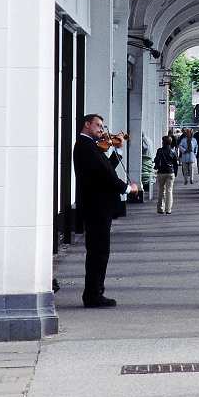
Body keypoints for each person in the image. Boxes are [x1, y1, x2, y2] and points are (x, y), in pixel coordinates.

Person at [73, 114, 137, 308]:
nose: (102, 130)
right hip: (96, 207)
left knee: (99, 251)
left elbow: (106, 168)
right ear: (87, 124)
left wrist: (118, 151)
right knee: (98, 252)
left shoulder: (92, 146)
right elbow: (105, 176)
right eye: (98, 125)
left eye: (102, 126)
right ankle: (93, 295)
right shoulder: (85, 146)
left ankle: (95, 292)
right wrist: (127, 188)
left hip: (99, 207)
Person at [154, 135, 179, 214]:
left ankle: (160, 208)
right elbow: (175, 163)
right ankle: (168, 209)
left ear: (163, 142)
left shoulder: (159, 151)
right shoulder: (173, 151)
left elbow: (157, 160)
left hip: (161, 172)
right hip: (170, 172)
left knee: (161, 190)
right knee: (169, 191)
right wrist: (175, 172)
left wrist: (156, 167)